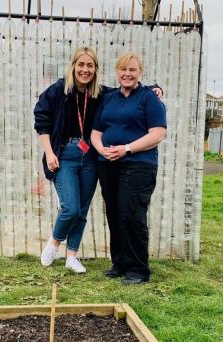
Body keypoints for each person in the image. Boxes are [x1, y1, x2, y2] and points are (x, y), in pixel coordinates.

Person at [33, 47, 161, 274]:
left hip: (91, 156)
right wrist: (49, 152)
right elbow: (42, 121)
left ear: (96, 69)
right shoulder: (58, 90)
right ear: (73, 66)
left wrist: (153, 88)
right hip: (65, 155)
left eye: (89, 66)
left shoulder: (100, 93)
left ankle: (72, 256)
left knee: (82, 209)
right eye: (80, 65)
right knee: (70, 208)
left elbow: (128, 86)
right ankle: (54, 243)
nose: (85, 70)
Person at [91, 52, 167, 285]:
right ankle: (120, 263)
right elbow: (96, 132)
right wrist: (101, 150)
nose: (127, 74)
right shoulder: (109, 98)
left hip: (138, 165)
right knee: (114, 214)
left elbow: (157, 134)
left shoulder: (149, 98)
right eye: (123, 69)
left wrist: (126, 149)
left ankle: (138, 270)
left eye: (132, 70)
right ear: (117, 72)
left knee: (132, 215)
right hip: (109, 165)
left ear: (140, 72)